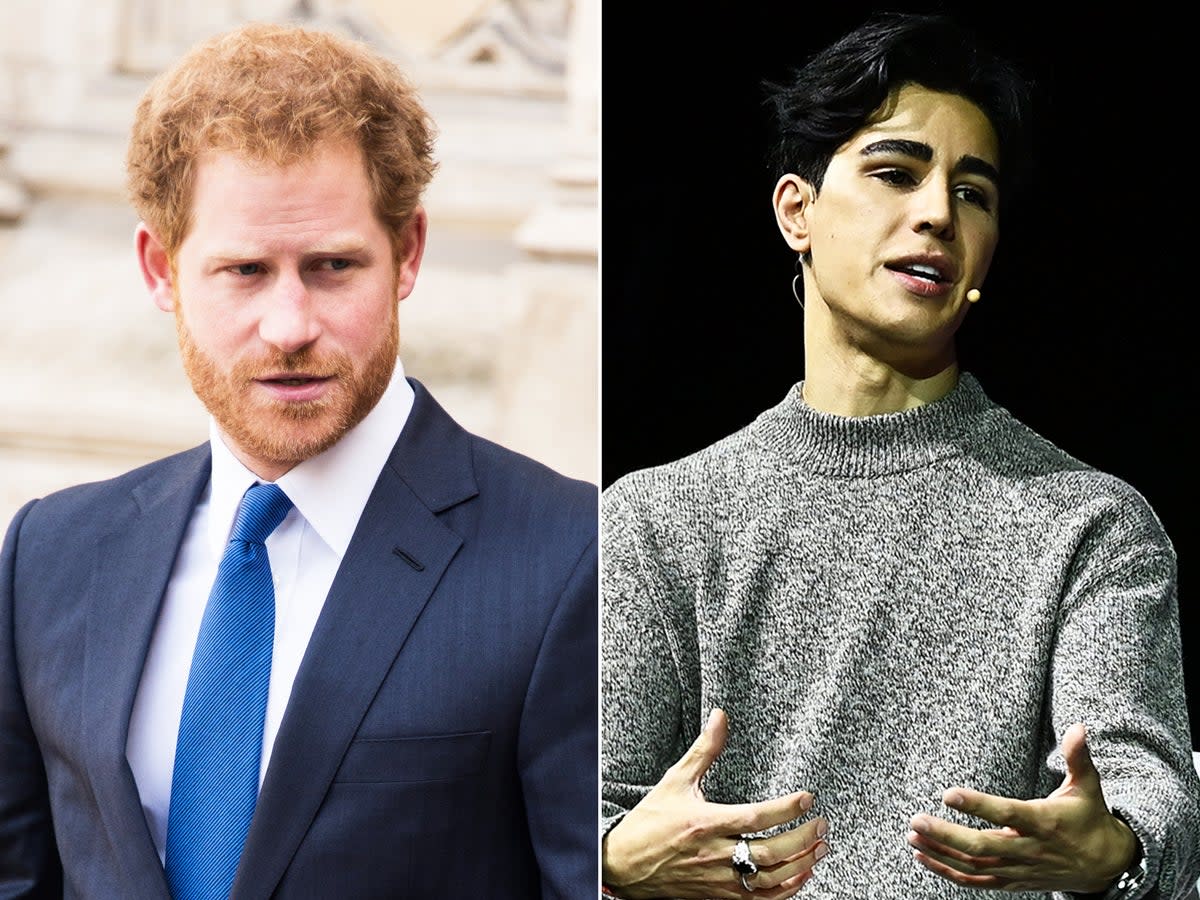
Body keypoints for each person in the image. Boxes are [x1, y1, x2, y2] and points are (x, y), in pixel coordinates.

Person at [600, 11, 1199, 900]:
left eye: (974, 193)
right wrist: (610, 859)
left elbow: (1153, 808)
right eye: (895, 172)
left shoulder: (1088, 523)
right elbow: (577, 811)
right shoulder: (656, 519)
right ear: (796, 210)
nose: (936, 215)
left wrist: (1112, 849)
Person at [0, 22, 597, 899]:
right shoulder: (51, 555)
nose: (290, 327)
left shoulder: (569, 558)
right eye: (244, 270)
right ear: (160, 270)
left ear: (409, 254)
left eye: (331, 266)